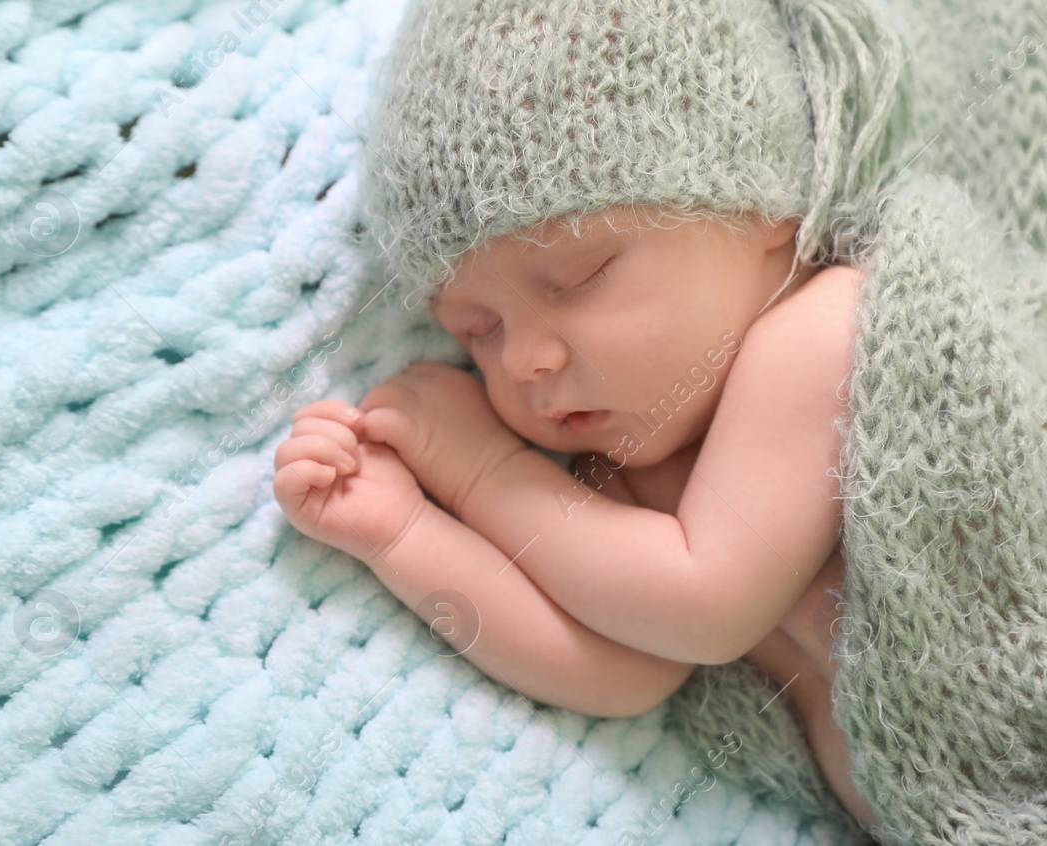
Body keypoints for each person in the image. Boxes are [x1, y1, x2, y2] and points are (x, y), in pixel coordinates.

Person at [272, 0, 919, 834]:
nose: (523, 359)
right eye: (478, 328)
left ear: (762, 211)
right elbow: (621, 673)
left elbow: (707, 604)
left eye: (579, 276)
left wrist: (480, 473)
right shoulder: (622, 478)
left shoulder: (830, 329)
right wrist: (399, 534)